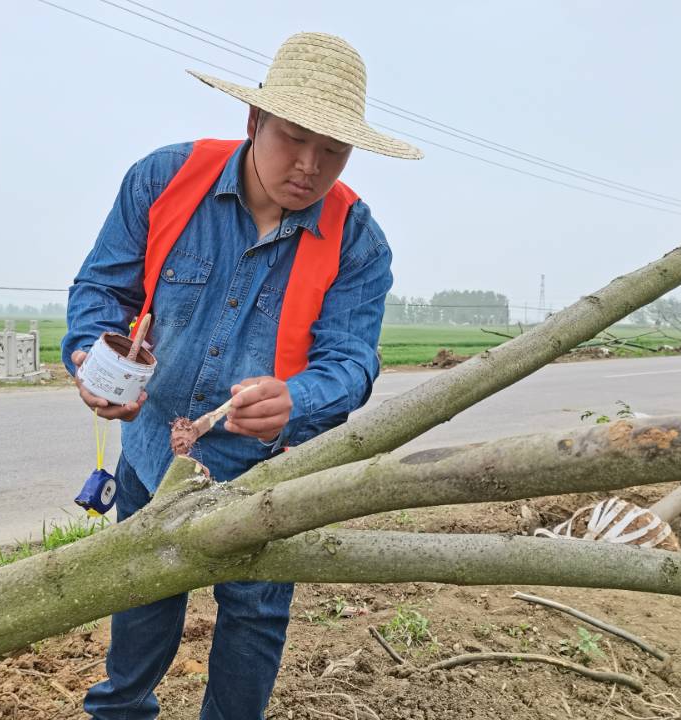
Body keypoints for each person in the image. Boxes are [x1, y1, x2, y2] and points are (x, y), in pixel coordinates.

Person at [62, 31, 422, 720]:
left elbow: (352, 363)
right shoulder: (163, 180)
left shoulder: (358, 242)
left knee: (254, 615)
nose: (310, 167)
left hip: (269, 471)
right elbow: (102, 292)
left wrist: (297, 399)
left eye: (333, 151)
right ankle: (121, 711)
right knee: (142, 591)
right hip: (151, 450)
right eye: (294, 138)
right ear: (254, 121)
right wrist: (93, 361)